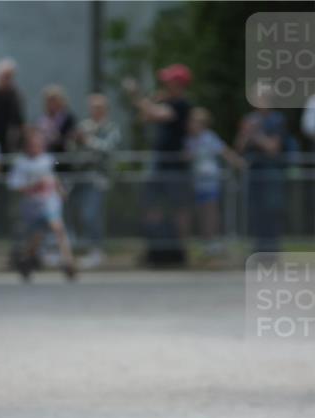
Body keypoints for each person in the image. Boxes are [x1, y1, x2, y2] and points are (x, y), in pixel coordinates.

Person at [124, 63, 193, 267]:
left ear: (179, 84)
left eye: (169, 81)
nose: (165, 84)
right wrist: (151, 100)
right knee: (150, 206)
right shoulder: (166, 101)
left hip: (175, 164)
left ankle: (182, 251)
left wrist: (137, 95)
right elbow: (144, 117)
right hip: (159, 163)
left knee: (180, 209)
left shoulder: (182, 104)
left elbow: (156, 114)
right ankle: (154, 249)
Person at [9, 125, 76, 281]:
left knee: (58, 228)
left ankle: (68, 262)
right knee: (37, 237)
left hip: (50, 202)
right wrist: (33, 186)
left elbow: (52, 177)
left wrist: (60, 190)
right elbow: (16, 185)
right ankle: (26, 261)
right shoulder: (21, 163)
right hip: (33, 204)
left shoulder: (48, 159)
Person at [234, 86, 291, 255]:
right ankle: (257, 248)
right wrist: (245, 134)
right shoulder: (249, 119)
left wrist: (255, 134)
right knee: (254, 211)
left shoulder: (277, 119)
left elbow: (273, 148)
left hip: (271, 171)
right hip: (254, 172)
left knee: (271, 210)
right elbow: (239, 149)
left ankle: (273, 249)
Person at [69, 93, 120, 268]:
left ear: (106, 109)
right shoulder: (84, 126)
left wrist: (88, 140)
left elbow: (108, 149)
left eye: (99, 107)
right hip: (81, 178)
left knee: (92, 214)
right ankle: (83, 248)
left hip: (99, 179)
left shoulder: (111, 128)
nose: (95, 111)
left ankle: (97, 251)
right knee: (77, 213)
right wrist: (75, 142)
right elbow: (73, 152)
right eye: (93, 107)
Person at [185, 107, 243, 256]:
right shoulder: (189, 140)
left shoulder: (209, 137)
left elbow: (224, 151)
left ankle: (212, 241)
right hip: (195, 182)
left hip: (210, 181)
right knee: (200, 213)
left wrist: (238, 162)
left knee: (211, 211)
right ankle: (204, 240)